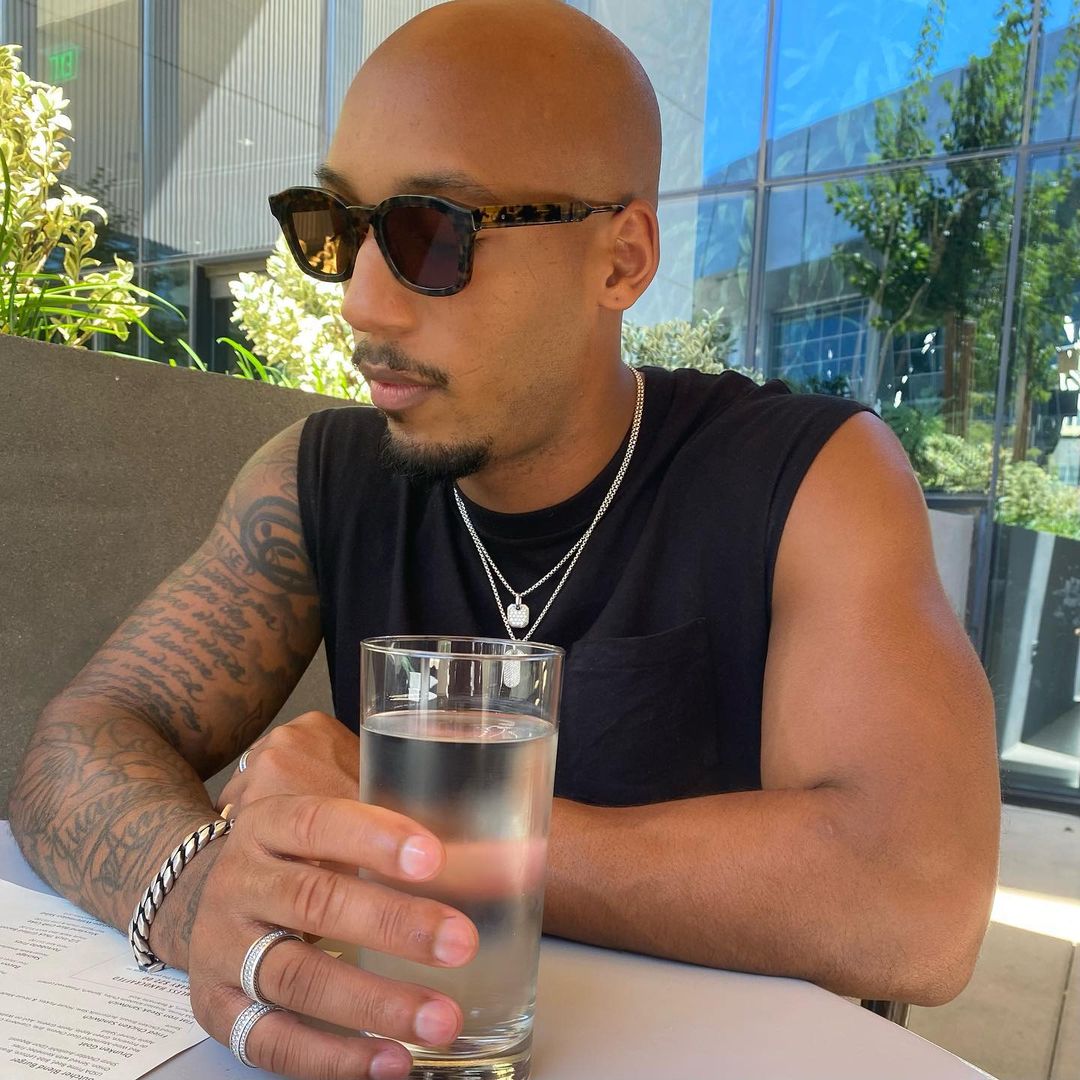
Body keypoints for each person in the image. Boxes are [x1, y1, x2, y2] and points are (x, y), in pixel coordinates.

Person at [9, 1, 1001, 1078]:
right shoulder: (320, 478)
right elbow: (78, 743)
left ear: (620, 260)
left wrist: (414, 819)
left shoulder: (805, 477)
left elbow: (917, 903)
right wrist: (206, 893)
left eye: (433, 234)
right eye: (335, 227)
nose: (362, 303)